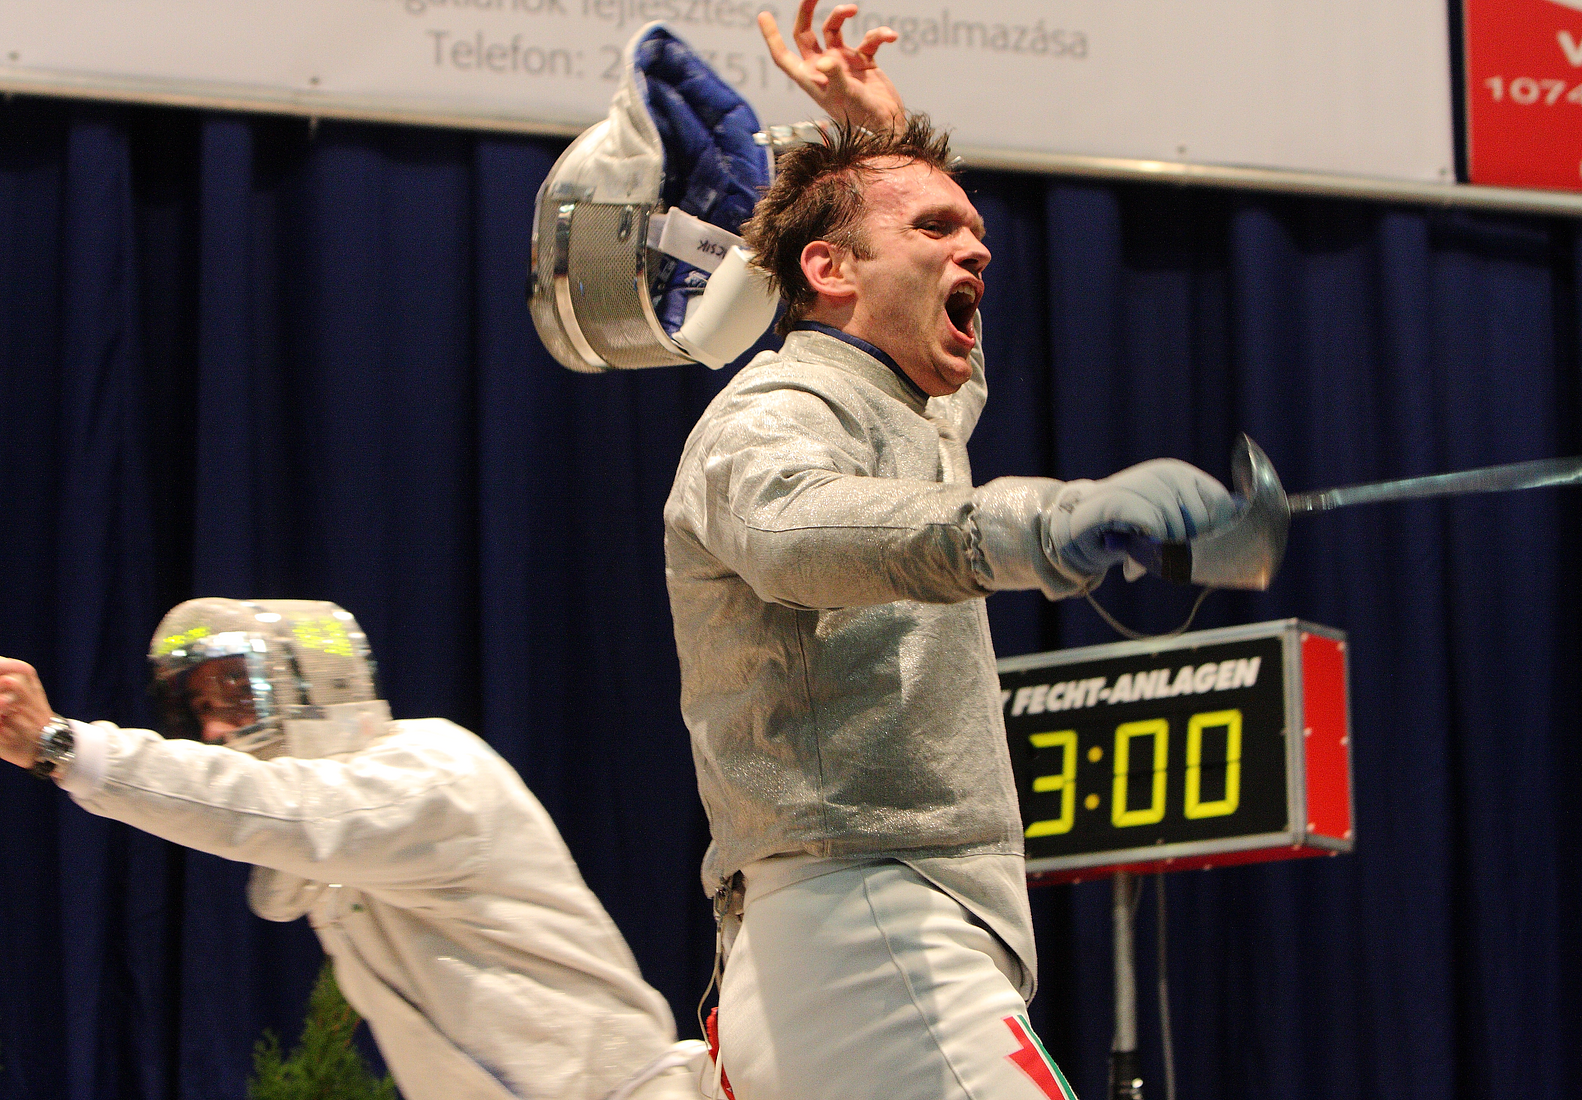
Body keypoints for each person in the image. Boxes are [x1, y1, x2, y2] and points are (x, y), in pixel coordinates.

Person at [662, 5, 1239, 1098]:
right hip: (863, 930)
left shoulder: (905, 412)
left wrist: (887, 137)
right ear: (828, 268)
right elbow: (795, 530)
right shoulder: (771, 411)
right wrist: (1039, 522)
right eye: (934, 226)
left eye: (974, 230)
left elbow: (945, 389)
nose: (976, 247)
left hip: (853, 946)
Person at [0, 598, 705, 1100]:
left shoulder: (431, 772)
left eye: (234, 696)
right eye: (202, 709)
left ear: (308, 676)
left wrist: (63, 745)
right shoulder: (337, 859)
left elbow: (278, 812)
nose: (214, 731)